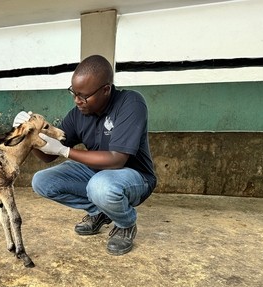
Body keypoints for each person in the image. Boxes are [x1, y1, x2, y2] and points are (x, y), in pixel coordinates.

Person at [13, 54, 156, 256]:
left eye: (83, 96)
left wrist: (65, 151)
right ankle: (99, 212)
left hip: (134, 176)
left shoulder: (130, 103)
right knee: (42, 181)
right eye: (73, 93)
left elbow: (117, 159)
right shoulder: (79, 114)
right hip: (96, 173)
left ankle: (125, 223)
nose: (77, 101)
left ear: (106, 90)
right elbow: (48, 156)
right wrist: (28, 135)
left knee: (101, 186)